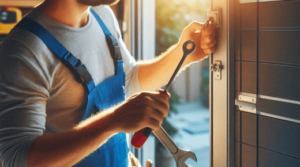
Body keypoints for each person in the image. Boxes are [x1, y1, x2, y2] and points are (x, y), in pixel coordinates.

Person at [0, 0, 216, 166]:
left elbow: (129, 80)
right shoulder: (24, 50)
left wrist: (183, 54)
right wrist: (113, 121)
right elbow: (16, 158)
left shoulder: (102, 15)